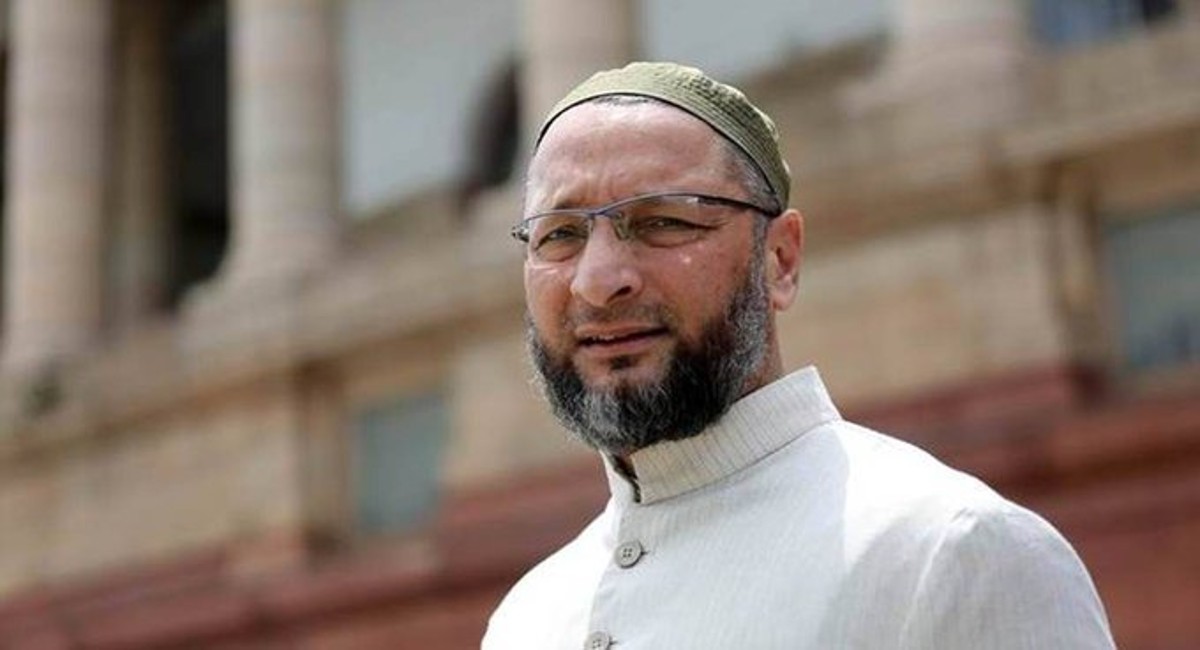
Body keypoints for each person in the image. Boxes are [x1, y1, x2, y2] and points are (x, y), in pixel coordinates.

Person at [483, 62, 1115, 650]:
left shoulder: (948, 551)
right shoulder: (529, 619)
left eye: (665, 222)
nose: (598, 281)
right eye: (559, 235)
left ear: (780, 259)